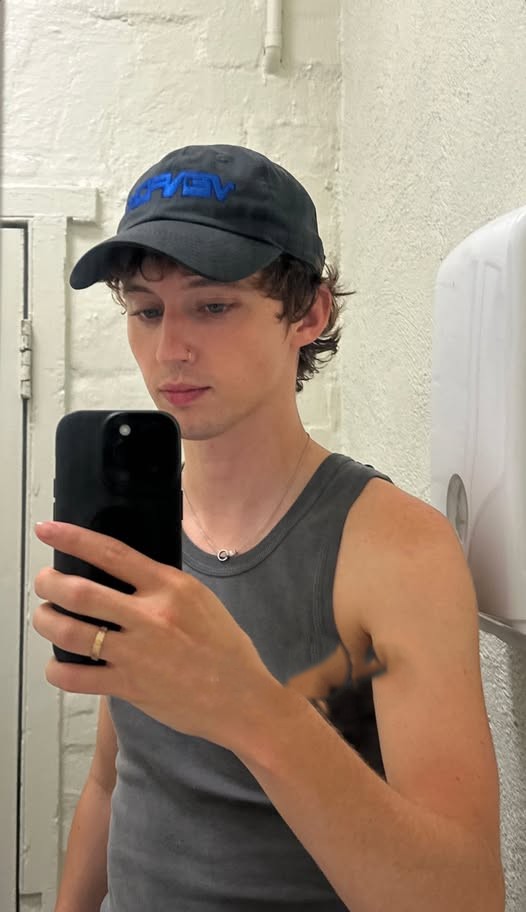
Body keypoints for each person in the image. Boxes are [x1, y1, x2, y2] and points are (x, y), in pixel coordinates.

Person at [33, 144, 504, 912]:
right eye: (147, 311)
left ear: (308, 313)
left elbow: (465, 896)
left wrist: (247, 706)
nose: (169, 349)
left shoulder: (396, 550)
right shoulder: (143, 533)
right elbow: (114, 782)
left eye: (213, 306)